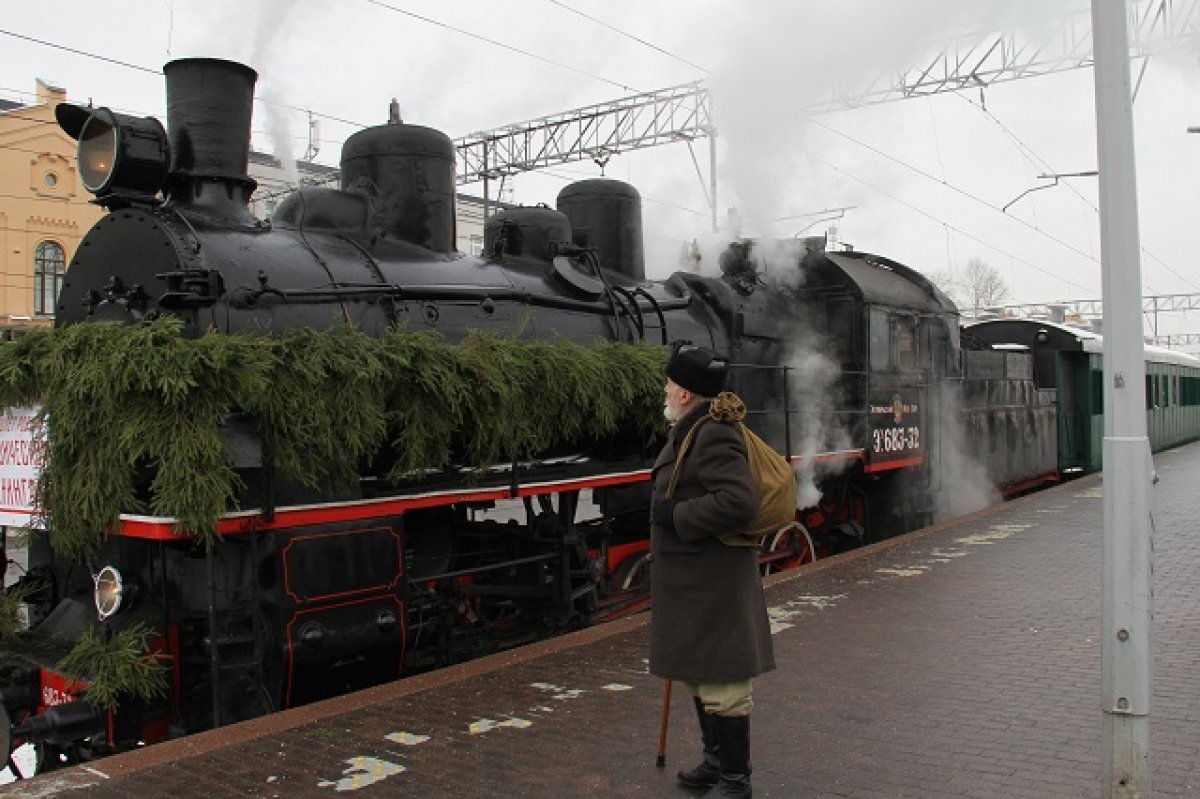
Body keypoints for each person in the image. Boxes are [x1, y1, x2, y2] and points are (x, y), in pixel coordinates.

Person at [649, 344, 775, 799]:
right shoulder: (691, 429)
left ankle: (736, 780)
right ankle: (716, 762)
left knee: (724, 682)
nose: (665, 389)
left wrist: (677, 515)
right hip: (694, 579)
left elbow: (740, 502)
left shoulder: (713, 434)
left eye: (670, 383)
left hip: (713, 580)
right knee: (700, 673)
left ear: (685, 392)